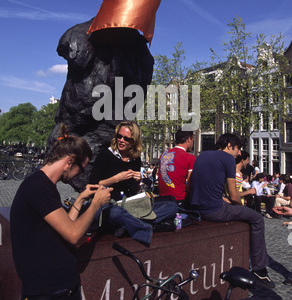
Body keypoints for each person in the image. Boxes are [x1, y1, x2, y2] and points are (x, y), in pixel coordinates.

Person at [10, 124, 112, 300]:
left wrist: (82, 199)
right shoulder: (38, 187)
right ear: (69, 161)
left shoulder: (44, 185)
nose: (79, 174)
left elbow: (65, 226)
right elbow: (74, 235)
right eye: (80, 168)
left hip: (54, 296)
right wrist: (95, 204)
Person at [189, 133, 274, 288]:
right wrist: (240, 209)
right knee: (257, 218)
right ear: (229, 146)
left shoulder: (202, 155)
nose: (239, 153)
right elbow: (234, 195)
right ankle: (259, 268)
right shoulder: (228, 159)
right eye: (238, 149)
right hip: (214, 210)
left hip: (195, 208)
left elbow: (193, 185)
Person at [89, 121, 177, 243]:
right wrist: (116, 179)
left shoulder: (135, 160)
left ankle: (126, 226)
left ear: (134, 141)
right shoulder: (105, 155)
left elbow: (133, 192)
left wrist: (138, 181)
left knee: (172, 205)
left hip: (128, 206)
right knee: (115, 213)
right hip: (108, 205)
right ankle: (148, 228)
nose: (121, 140)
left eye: (126, 139)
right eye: (119, 136)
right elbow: (91, 186)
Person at [158, 129, 196, 207]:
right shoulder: (190, 157)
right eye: (192, 140)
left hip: (162, 200)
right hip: (179, 200)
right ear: (188, 140)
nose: (192, 144)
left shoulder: (163, 155)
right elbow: (190, 184)